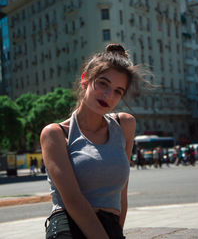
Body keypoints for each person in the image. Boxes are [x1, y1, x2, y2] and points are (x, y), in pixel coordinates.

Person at [40, 43, 153, 239]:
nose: (109, 95)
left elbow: (121, 194)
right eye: (103, 83)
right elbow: (73, 200)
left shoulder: (124, 125)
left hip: (110, 225)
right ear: (85, 80)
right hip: (68, 224)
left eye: (118, 91)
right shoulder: (56, 134)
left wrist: (117, 232)